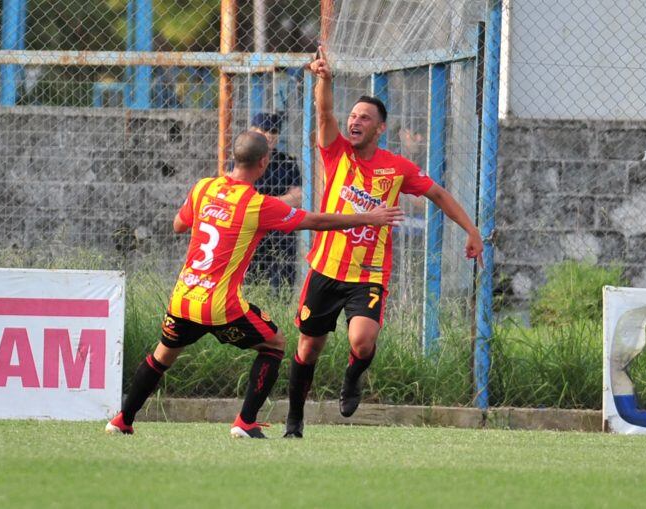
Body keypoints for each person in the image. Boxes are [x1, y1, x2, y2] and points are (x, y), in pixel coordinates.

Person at [105, 131, 404, 439]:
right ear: (264, 163)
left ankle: (123, 420)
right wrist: (369, 217)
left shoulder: (204, 187)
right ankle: (246, 421)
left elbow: (179, 225)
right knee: (275, 343)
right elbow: (316, 221)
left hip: (184, 297)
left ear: (233, 158)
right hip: (220, 306)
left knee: (162, 356)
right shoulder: (257, 205)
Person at [283, 47, 484, 438]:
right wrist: (323, 79)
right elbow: (324, 114)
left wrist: (471, 230)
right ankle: (294, 419)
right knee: (308, 349)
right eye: (353, 116)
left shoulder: (397, 168)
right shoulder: (335, 152)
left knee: (362, 341)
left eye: (365, 118)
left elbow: (438, 194)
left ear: (380, 129)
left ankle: (352, 378)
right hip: (325, 269)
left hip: (369, 274)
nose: (355, 121)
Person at [249, 112, 302, 290]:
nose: (270, 135)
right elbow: (240, 197)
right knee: (249, 285)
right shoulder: (244, 161)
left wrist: (261, 204)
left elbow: (297, 198)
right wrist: (280, 202)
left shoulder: (287, 162)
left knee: (281, 287)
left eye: (274, 130)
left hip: (281, 233)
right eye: (264, 129)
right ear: (252, 131)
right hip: (252, 232)